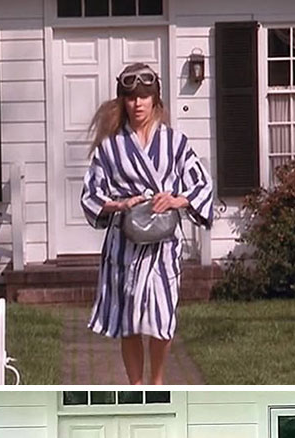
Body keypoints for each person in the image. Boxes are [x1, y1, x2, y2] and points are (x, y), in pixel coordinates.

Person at [80, 62, 213, 385]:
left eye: (144, 96)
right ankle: (136, 387)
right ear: (122, 101)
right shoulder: (110, 148)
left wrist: (176, 199)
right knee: (130, 321)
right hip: (124, 245)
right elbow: (90, 195)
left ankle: (157, 381)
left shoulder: (175, 143)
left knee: (162, 318)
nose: (137, 103)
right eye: (130, 97)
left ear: (155, 99)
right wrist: (120, 204)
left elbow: (202, 184)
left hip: (164, 246)